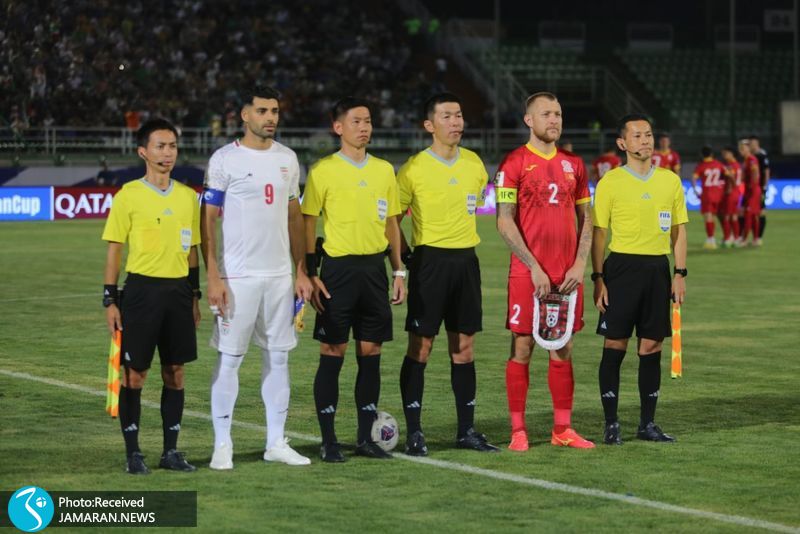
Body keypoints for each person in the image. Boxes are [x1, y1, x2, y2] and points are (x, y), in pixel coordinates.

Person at [202, 86, 313, 470]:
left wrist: (301, 269)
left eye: (276, 111)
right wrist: (213, 275)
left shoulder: (288, 159)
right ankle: (222, 445)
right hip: (238, 278)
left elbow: (295, 216)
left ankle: (275, 442)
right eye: (263, 110)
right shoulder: (224, 160)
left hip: (280, 277)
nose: (271, 118)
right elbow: (208, 220)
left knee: (279, 359)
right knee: (230, 361)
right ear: (244, 115)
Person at [301, 97, 406, 462]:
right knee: (333, 351)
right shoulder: (322, 171)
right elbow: (307, 224)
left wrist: (398, 270)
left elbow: (392, 223)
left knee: (371, 352)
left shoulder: (383, 170)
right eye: (357, 121)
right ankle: (328, 441)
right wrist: (309, 273)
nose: (365, 127)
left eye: (368, 121)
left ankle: (365, 438)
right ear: (338, 127)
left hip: (374, 272)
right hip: (337, 272)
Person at [396, 92, 498, 456]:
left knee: (465, 349)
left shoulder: (474, 165)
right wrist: (405, 259)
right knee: (421, 347)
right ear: (429, 125)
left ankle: (466, 431)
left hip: (466, 262)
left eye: (459, 115)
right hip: (430, 263)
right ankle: (414, 432)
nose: (456, 122)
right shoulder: (412, 170)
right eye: (447, 116)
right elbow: (392, 219)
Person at [495, 92, 595, 452]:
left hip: (567, 272)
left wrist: (581, 263)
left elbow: (588, 219)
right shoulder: (513, 164)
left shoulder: (575, 165)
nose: (554, 120)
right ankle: (518, 431)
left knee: (563, 347)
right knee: (522, 347)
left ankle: (562, 429)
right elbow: (504, 222)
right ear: (528, 120)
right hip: (528, 273)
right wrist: (533, 266)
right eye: (546, 114)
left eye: (558, 113)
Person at [102, 118, 201, 474]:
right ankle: (134, 453)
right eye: (160, 146)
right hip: (142, 291)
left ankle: (170, 452)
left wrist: (194, 295)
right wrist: (110, 300)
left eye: (172, 146)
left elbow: (193, 251)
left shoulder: (189, 197)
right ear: (143, 151)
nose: (167, 153)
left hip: (178, 293)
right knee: (135, 375)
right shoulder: (128, 195)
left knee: (175, 372)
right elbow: (115, 250)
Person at [592, 113, 688, 445]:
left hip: (657, 271)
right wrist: (598, 278)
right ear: (623, 143)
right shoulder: (610, 182)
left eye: (648, 135)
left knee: (652, 345)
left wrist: (679, 274)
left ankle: (647, 424)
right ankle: (611, 423)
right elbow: (599, 234)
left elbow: (679, 232)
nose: (645, 141)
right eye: (637, 136)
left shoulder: (670, 181)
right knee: (615, 343)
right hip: (620, 269)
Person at [691, 146, 727, 249]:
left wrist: (695, 190)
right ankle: (728, 237)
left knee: (708, 217)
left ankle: (711, 240)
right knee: (718, 216)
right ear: (711, 154)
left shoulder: (701, 166)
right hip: (719, 194)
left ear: (702, 155)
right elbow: (727, 175)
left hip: (707, 195)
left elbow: (693, 178)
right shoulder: (719, 164)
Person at [737, 139, 762, 247]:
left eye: (743, 148)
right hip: (748, 190)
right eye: (740, 149)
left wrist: (753, 186)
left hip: (753, 191)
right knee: (753, 216)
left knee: (748, 214)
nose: (741, 151)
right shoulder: (746, 160)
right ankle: (756, 239)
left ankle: (745, 239)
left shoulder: (752, 159)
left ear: (748, 149)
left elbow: (755, 173)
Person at [749, 135, 770, 243]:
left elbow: (766, 171)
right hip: (751, 188)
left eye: (751, 143)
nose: (750, 145)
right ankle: (754, 237)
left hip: (759, 188)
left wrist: (764, 187)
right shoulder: (750, 156)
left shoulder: (761, 155)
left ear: (756, 143)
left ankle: (759, 237)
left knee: (761, 212)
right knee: (751, 212)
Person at [720, 147, 743, 247]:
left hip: (731, 193)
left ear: (732, 154)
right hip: (736, 193)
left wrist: (730, 187)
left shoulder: (730, 166)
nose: (724, 155)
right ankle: (736, 238)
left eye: (726, 153)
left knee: (726, 216)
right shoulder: (737, 165)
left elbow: (731, 178)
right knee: (734, 216)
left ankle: (727, 238)